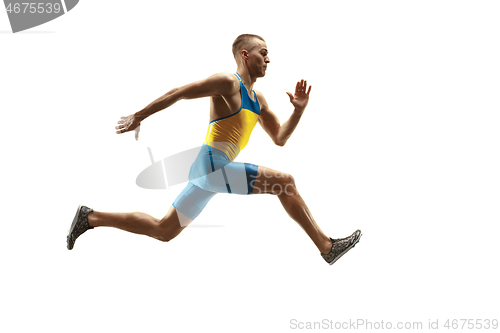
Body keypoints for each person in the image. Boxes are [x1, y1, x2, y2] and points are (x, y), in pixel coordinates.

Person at [67, 34, 361, 265]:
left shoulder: (258, 99)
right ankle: (326, 246)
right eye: (264, 53)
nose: (269, 59)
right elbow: (178, 92)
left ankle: (90, 217)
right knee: (284, 183)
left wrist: (298, 111)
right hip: (212, 167)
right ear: (245, 55)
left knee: (164, 230)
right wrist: (138, 116)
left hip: (207, 173)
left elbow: (280, 137)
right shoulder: (228, 83)